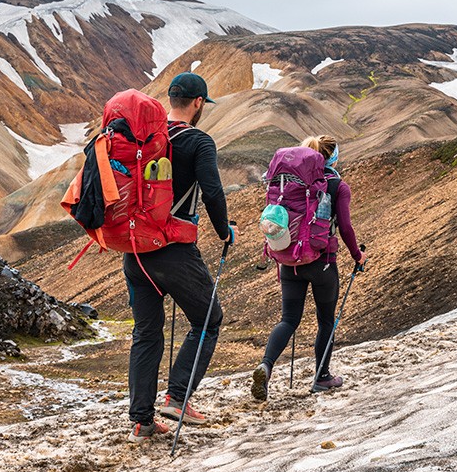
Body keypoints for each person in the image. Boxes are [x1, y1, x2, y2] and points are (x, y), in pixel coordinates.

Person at [125, 72, 237, 439]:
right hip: (172, 250)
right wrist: (224, 231)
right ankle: (177, 397)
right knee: (209, 319)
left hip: (135, 251)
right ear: (198, 103)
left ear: (170, 99)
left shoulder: (143, 138)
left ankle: (142, 422)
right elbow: (213, 192)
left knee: (146, 332)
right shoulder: (198, 141)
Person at [252, 135, 363, 401]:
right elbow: (345, 227)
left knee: (289, 320)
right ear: (332, 157)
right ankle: (322, 377)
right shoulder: (337, 186)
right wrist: (357, 255)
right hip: (322, 261)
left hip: (290, 259)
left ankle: (266, 365)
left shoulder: (290, 184)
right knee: (325, 321)